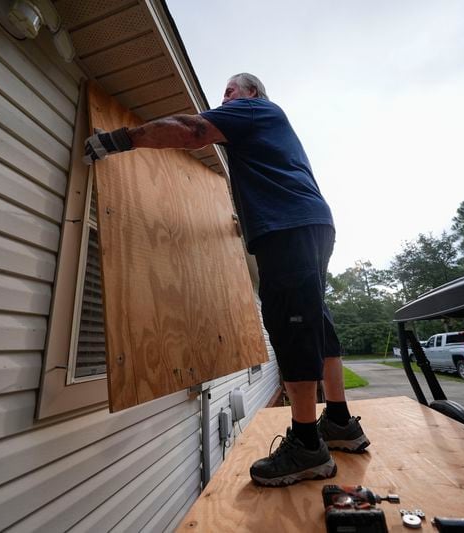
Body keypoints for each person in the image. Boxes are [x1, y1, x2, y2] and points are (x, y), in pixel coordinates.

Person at [84, 73, 369, 487]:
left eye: (231, 91)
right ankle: (340, 422)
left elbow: (194, 129)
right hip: (306, 224)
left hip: (289, 227)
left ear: (251, 94)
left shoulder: (252, 110)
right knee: (314, 320)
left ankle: (308, 445)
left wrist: (119, 140)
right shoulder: (266, 134)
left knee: (292, 324)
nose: (225, 98)